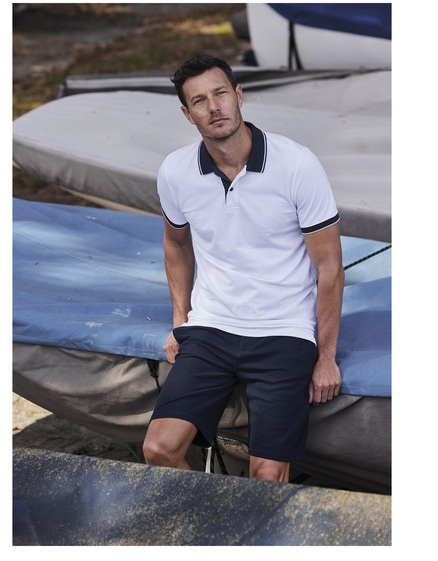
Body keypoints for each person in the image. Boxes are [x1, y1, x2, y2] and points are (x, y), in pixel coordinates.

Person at [142, 54, 344, 483]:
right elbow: (176, 244)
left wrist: (325, 356)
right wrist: (180, 321)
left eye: (220, 93)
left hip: (284, 330)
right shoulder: (176, 170)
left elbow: (329, 267)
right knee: (159, 449)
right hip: (211, 328)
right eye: (199, 101)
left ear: (238, 95)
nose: (214, 107)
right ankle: (210, 522)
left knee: (266, 477)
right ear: (187, 114)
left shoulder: (296, 164)